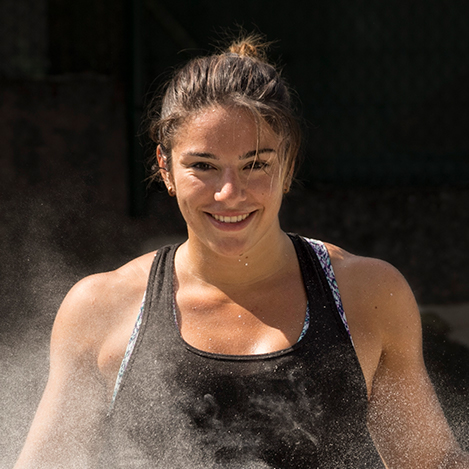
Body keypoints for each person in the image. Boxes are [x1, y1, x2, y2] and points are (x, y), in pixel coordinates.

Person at [15, 35, 469, 469]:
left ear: (287, 164)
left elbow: (432, 462)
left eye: (255, 164)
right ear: (165, 168)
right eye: (203, 166)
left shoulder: (366, 295)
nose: (229, 193)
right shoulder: (102, 308)